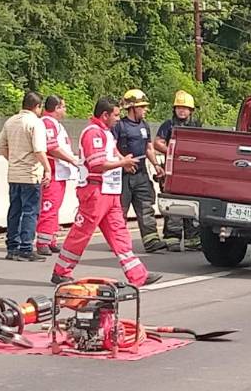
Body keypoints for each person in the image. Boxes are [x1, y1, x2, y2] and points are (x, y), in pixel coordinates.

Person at [51, 96, 162, 286]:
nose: (118, 119)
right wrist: (123, 162)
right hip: (95, 192)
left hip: (109, 192)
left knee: (120, 234)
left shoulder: (106, 132)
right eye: (116, 115)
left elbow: (111, 153)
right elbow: (96, 164)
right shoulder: (93, 133)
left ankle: (138, 275)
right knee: (81, 233)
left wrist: (123, 161)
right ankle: (61, 271)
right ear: (104, 115)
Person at [0, 91, 51, 262]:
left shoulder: (10, 121)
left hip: (14, 174)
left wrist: (13, 159)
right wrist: (47, 169)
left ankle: (12, 247)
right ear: (37, 106)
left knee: (14, 210)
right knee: (30, 211)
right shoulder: (36, 123)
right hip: (30, 174)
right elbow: (39, 151)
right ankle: (26, 248)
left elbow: (0, 146)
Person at [113, 89, 167, 253]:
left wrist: (156, 165)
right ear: (132, 108)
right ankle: (119, 244)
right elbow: (111, 147)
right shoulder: (119, 126)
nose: (145, 110)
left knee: (146, 207)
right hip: (124, 175)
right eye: (142, 107)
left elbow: (149, 148)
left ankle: (151, 242)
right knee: (120, 210)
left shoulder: (144, 125)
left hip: (142, 173)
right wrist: (123, 162)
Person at [154, 90, 202, 251]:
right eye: (179, 107)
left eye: (185, 108)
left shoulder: (196, 126)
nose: (181, 110)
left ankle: (192, 240)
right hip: (172, 171)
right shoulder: (168, 125)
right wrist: (173, 153)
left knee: (191, 204)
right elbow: (158, 143)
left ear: (191, 110)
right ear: (174, 109)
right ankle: (172, 239)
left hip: (191, 172)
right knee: (173, 204)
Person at [35, 95, 79, 256]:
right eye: (64, 107)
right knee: (49, 206)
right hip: (52, 171)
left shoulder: (55, 124)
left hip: (59, 173)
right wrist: (72, 160)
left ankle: (50, 238)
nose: (65, 110)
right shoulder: (47, 123)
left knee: (55, 207)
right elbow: (52, 148)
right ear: (57, 108)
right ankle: (42, 241)